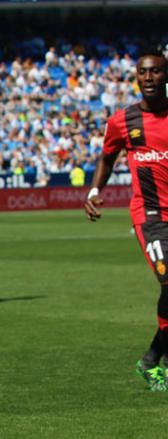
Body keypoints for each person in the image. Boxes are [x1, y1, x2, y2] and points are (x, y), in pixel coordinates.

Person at [85, 48, 168, 392]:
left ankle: (154, 360)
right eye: (142, 72)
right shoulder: (123, 121)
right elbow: (107, 157)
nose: (148, 78)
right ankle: (151, 361)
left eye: (156, 72)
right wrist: (94, 190)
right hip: (150, 216)